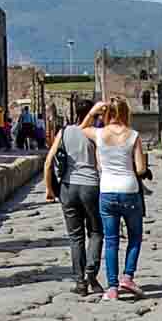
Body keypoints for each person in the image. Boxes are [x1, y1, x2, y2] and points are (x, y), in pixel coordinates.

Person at [77, 97, 146, 301]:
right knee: (134, 237)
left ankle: (113, 288)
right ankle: (128, 276)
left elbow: (81, 129)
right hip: (129, 190)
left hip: (106, 192)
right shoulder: (133, 135)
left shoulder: (99, 134)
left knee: (111, 241)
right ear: (125, 113)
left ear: (107, 113)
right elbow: (141, 169)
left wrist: (93, 112)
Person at [44, 98, 103, 297]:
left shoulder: (64, 132)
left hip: (68, 188)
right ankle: (91, 273)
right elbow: (101, 164)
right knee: (95, 232)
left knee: (75, 237)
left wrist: (49, 189)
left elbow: (48, 162)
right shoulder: (95, 134)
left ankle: (80, 282)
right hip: (91, 187)